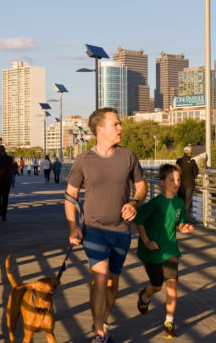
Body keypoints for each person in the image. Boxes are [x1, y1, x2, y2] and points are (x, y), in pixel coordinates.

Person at [65, 107, 147, 343]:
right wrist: (73, 226)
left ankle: (101, 319)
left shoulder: (128, 157)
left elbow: (142, 187)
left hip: (121, 230)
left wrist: (134, 202)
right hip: (94, 230)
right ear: (100, 129)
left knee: (113, 283)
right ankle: (99, 333)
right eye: (116, 124)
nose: (121, 128)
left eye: (120, 124)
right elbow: (70, 195)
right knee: (100, 279)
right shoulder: (84, 160)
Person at [134, 164, 194, 339]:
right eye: (172, 180)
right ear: (161, 182)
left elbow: (180, 224)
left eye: (178, 179)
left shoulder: (179, 203)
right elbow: (139, 220)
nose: (176, 183)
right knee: (157, 286)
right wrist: (146, 241)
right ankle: (145, 297)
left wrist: (185, 227)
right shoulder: (155, 203)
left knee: (172, 285)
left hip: (171, 250)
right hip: (153, 252)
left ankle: (168, 322)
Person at [176, 146, 199, 222]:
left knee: (179, 202)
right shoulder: (192, 162)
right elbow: (195, 173)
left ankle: (177, 219)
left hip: (180, 185)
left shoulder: (179, 161)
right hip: (190, 185)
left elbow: (176, 171)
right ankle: (185, 221)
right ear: (190, 153)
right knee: (187, 203)